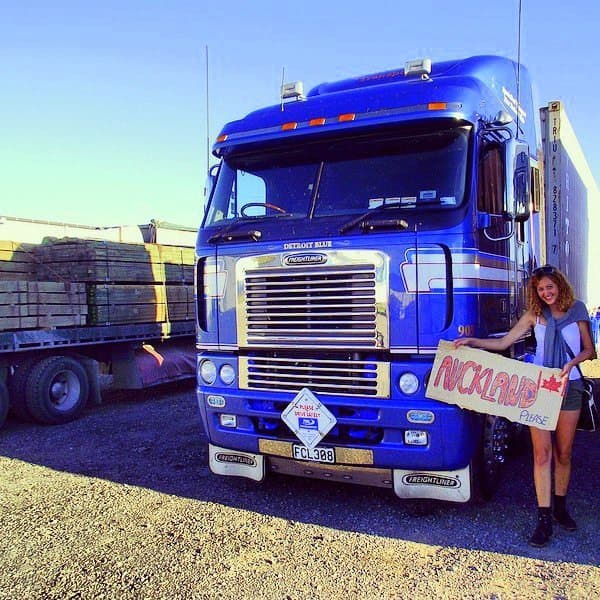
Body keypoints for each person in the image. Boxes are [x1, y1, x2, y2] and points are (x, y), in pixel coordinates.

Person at [454, 264, 596, 547]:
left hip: (570, 386)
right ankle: (543, 520)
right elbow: (505, 341)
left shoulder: (577, 309)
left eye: (550, 287)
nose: (546, 293)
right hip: (540, 389)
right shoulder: (534, 314)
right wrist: (472, 341)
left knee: (563, 453)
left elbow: (590, 349)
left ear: (560, 286)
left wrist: (571, 363)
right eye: (540, 289)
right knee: (541, 455)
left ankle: (561, 508)